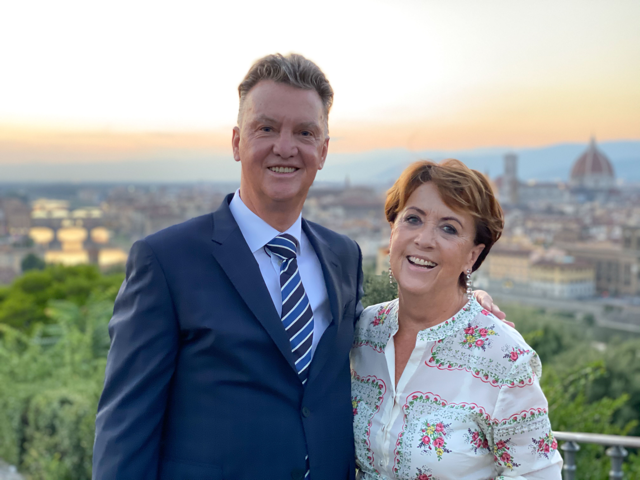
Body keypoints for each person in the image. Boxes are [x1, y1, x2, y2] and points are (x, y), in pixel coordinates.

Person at [92, 54, 505, 480]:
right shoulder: (166, 260)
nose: (285, 147)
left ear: (322, 151)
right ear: (236, 142)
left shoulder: (343, 255)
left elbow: (378, 333)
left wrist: (462, 302)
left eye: (304, 132)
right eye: (266, 128)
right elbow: (126, 428)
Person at [351, 159, 563, 479]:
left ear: (472, 256)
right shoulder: (363, 331)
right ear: (393, 231)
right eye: (413, 219)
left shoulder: (505, 358)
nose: (424, 239)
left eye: (448, 228)